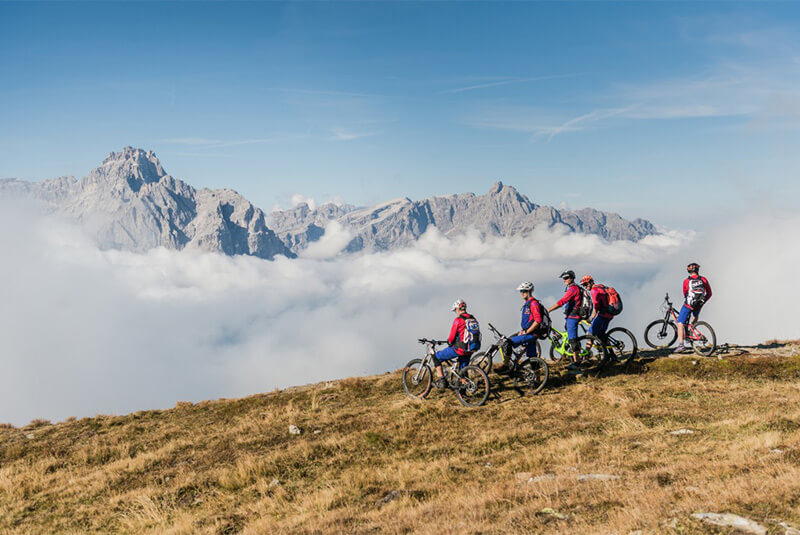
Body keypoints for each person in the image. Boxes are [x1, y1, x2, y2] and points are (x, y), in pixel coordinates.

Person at [495, 281, 544, 374]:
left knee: (507, 343)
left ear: (529, 291)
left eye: (524, 291)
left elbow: (538, 321)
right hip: (531, 334)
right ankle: (537, 382)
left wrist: (527, 331)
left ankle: (506, 366)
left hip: (531, 334)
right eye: (521, 291)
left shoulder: (533, 304)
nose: (522, 293)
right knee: (533, 359)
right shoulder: (528, 304)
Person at [433, 299, 479, 388]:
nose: (455, 312)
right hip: (471, 349)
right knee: (462, 371)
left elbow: (451, 337)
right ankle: (464, 392)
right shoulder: (472, 318)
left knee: (436, 357)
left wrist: (450, 342)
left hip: (460, 349)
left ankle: (442, 380)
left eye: (455, 310)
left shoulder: (458, 320)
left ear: (458, 308)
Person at [548, 270, 583, 370]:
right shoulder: (574, 288)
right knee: (569, 336)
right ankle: (572, 357)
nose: (564, 280)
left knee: (572, 339)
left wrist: (549, 309)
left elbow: (562, 302)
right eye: (563, 278)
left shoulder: (572, 289)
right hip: (570, 316)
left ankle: (576, 363)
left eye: (566, 278)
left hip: (573, 317)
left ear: (572, 278)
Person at [676, 262, 712, 352]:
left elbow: (685, 294)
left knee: (680, 323)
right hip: (699, 304)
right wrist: (702, 302)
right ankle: (692, 330)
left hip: (689, 304)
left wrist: (689, 302)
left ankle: (681, 345)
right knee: (694, 317)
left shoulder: (686, 281)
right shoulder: (703, 279)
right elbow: (709, 293)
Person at [580, 275, 613, 349]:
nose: (585, 286)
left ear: (591, 282)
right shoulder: (600, 286)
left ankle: (586, 356)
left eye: (585, 284)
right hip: (610, 314)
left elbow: (596, 306)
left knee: (590, 334)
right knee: (601, 334)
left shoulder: (594, 291)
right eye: (583, 285)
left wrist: (592, 317)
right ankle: (611, 354)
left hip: (603, 315)